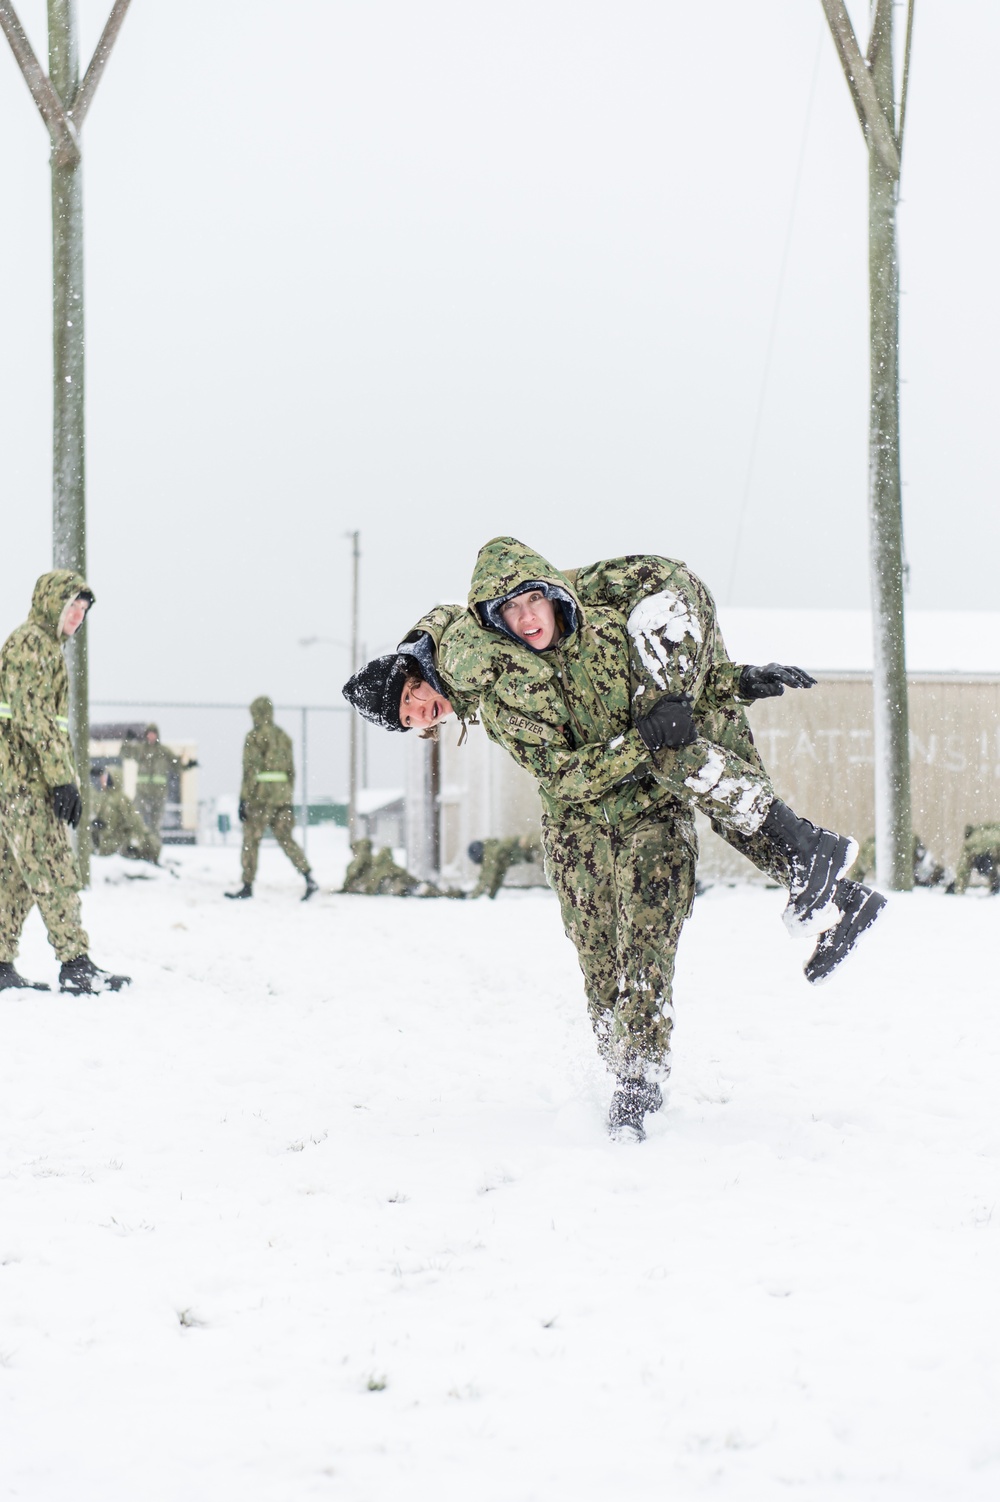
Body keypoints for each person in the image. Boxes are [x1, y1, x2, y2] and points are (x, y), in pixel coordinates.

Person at [344, 540, 883, 1139]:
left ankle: (640, 1082)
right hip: (578, 830)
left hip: (649, 808)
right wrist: (677, 719)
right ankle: (830, 889)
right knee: (599, 960)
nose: (424, 708)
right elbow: (574, 767)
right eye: (413, 717)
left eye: (415, 694)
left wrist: (730, 683)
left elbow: (651, 697)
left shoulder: (551, 640)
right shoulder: (487, 690)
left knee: (646, 946)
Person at [0, 571, 131, 994]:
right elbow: (36, 720)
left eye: (83, 609)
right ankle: (75, 963)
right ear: (51, 602)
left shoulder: (39, 645)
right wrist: (61, 780)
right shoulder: (33, 644)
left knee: (14, 875)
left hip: (15, 780)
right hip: (25, 782)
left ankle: (0, 964)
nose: (77, 615)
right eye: (71, 604)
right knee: (54, 868)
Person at [226, 696, 318, 901]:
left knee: (251, 839)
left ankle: (247, 884)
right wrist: (286, 794)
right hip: (282, 797)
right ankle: (308, 876)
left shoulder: (255, 736)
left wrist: (243, 799)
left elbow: (250, 770)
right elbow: (291, 771)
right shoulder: (283, 736)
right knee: (286, 838)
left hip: (260, 797)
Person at [120, 723, 196, 833]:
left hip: (159, 794)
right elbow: (124, 753)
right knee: (137, 821)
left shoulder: (164, 752)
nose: (151, 737)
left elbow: (176, 765)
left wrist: (188, 765)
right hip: (142, 793)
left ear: (157, 735)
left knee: (155, 826)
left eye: (153, 734)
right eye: (149, 734)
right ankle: (138, 844)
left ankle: (152, 846)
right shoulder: (141, 750)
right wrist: (127, 740)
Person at [342, 837, 462, 897]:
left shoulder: (369, 862)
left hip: (391, 881)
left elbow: (352, 877)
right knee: (421, 889)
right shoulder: (373, 862)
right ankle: (450, 893)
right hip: (394, 880)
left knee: (420, 889)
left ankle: (450, 892)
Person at [90, 769, 162, 865]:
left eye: (105, 777)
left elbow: (134, 823)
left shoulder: (121, 799)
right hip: (105, 845)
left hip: (116, 846)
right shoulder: (103, 797)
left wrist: (134, 843)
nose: (102, 780)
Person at [467, 834, 543, 898]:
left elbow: (486, 879)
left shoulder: (490, 854)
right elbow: (496, 877)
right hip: (531, 850)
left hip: (531, 848)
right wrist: (490, 894)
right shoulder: (493, 850)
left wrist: (473, 896)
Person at [951, 823, 1000, 896]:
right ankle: (995, 885)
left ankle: (995, 885)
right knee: (992, 863)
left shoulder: (970, 842)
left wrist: (959, 889)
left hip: (981, 855)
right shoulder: (993, 831)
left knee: (990, 864)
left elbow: (963, 869)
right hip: (995, 848)